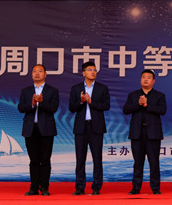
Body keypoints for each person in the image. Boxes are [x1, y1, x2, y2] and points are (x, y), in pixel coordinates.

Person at [69, 61, 110, 195]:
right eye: (90, 70)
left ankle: (96, 187)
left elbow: (106, 106)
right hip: (81, 127)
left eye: (94, 70)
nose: (93, 72)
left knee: (97, 158)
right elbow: (71, 108)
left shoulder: (102, 88)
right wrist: (81, 102)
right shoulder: (76, 88)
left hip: (96, 127)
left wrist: (92, 102)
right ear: (83, 73)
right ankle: (80, 187)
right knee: (80, 158)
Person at [123, 69, 167, 195]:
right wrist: (138, 104)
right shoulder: (133, 95)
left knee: (154, 162)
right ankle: (136, 188)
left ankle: (155, 188)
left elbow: (162, 110)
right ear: (140, 79)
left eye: (149, 77)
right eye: (143, 77)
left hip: (153, 133)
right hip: (137, 133)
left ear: (153, 81)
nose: (146, 79)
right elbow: (126, 110)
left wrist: (147, 105)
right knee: (138, 162)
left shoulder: (159, 95)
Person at [18, 64, 59, 196]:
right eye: (34, 71)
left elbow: (53, 108)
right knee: (34, 160)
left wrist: (41, 102)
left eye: (40, 71)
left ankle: (45, 188)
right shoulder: (26, 91)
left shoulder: (52, 91)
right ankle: (34, 187)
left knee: (45, 160)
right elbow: (21, 108)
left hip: (46, 129)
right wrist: (32, 104)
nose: (37, 73)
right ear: (31, 74)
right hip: (30, 129)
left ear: (45, 74)